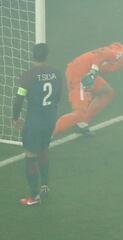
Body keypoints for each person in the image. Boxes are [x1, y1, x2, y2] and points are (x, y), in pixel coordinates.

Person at [53, 36, 123, 136]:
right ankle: (47, 135)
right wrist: (93, 73)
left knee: (107, 92)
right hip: (80, 74)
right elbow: (100, 55)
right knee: (78, 113)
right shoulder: (122, 54)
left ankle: (82, 123)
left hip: (86, 71)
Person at [13, 43, 63, 206]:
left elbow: (20, 98)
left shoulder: (28, 76)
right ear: (46, 55)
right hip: (50, 119)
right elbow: (58, 95)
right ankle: (45, 186)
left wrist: (15, 118)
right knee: (43, 151)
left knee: (30, 155)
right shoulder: (56, 73)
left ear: (33, 55)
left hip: (35, 121)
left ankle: (34, 197)